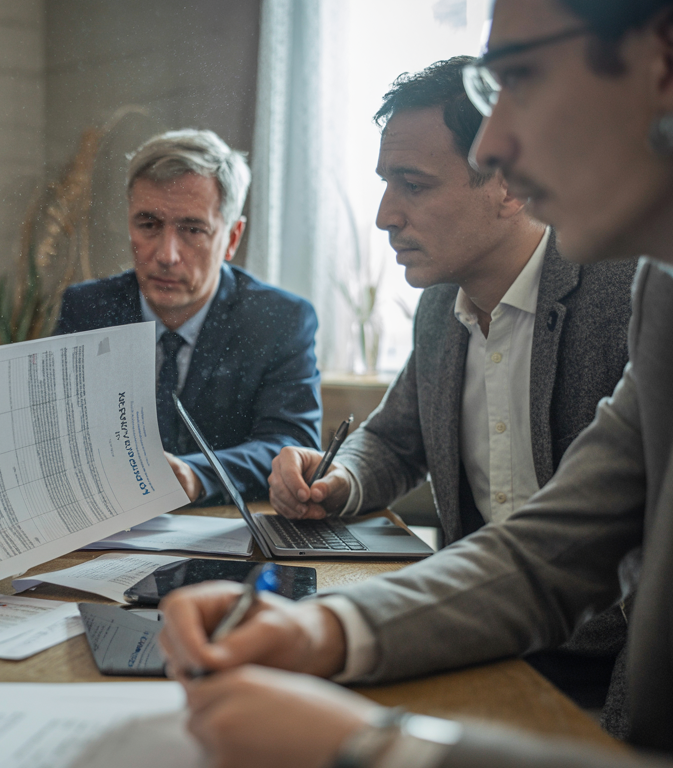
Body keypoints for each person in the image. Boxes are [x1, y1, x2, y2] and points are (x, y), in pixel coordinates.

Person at [158, 0, 673, 765]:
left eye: (521, 78)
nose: (497, 143)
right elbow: (543, 554)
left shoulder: (625, 285)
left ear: (662, 58)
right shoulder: (660, 298)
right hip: (506, 652)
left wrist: (376, 749)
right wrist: (318, 629)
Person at [268, 56, 634, 712]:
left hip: (612, 670)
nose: (385, 215)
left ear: (510, 184)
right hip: (485, 640)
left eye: (412, 184)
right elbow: (392, 438)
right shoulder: (442, 307)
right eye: (385, 184)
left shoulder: (625, 292)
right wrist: (338, 480)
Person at [55, 129, 321, 506]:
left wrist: (197, 475)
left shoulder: (279, 319)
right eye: (148, 225)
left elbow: (292, 445)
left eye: (193, 230)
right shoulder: (87, 310)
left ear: (232, 238)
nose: (167, 254)